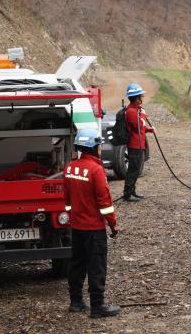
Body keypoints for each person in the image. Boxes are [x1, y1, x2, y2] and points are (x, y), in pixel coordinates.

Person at [64, 128, 121, 318]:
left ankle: (76, 302)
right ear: (93, 146)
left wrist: (74, 217)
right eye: (98, 145)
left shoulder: (70, 168)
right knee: (96, 267)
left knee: (77, 264)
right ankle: (97, 307)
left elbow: (68, 198)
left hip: (77, 226)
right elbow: (105, 202)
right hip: (93, 229)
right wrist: (113, 225)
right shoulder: (96, 170)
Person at [124, 82, 154, 202]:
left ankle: (132, 192)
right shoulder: (131, 111)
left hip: (140, 144)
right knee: (133, 169)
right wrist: (142, 115)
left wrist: (149, 129)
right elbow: (138, 125)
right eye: (140, 96)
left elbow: (142, 127)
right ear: (136, 98)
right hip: (134, 145)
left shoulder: (136, 110)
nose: (141, 98)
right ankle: (127, 194)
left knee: (137, 170)